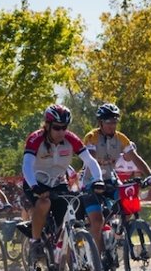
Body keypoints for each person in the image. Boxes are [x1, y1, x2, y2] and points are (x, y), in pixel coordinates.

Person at [22, 104, 103, 258]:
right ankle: (35, 242)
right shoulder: (35, 139)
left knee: (69, 217)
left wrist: (98, 180)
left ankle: (68, 262)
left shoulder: (70, 139)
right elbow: (26, 165)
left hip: (58, 182)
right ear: (47, 125)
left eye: (64, 127)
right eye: (57, 128)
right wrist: (35, 187)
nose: (61, 132)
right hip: (36, 181)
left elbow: (90, 161)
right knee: (44, 203)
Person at [82, 103, 151, 255]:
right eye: (109, 122)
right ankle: (101, 256)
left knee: (128, 204)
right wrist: (97, 180)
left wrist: (150, 175)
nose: (112, 125)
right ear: (100, 122)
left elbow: (135, 158)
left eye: (115, 121)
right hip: (91, 182)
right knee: (97, 221)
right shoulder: (92, 137)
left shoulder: (121, 138)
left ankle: (118, 234)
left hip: (111, 180)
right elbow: (91, 159)